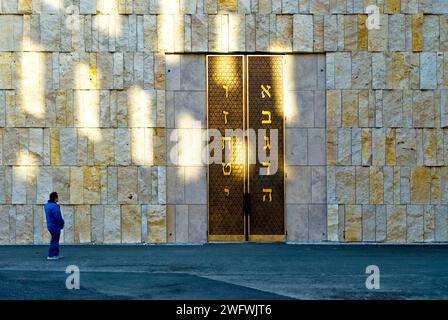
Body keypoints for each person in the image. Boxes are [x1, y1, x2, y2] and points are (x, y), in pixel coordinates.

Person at [44, 192, 64, 260]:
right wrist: (62, 222)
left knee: (55, 240)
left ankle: (56, 254)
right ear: (55, 198)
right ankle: (51, 255)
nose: (58, 198)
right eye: (57, 197)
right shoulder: (54, 206)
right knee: (55, 241)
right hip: (55, 226)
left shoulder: (47, 205)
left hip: (50, 225)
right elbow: (58, 217)